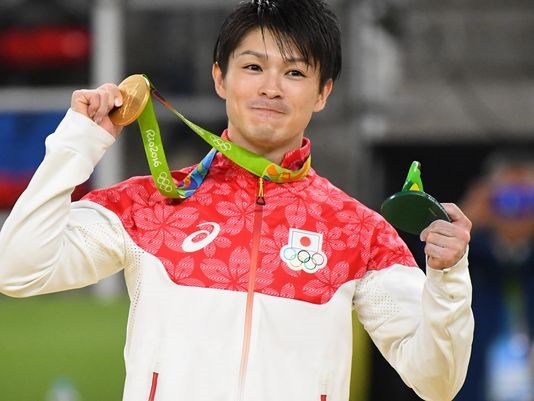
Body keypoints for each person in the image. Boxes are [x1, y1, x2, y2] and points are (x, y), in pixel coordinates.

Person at [0, 1, 473, 400]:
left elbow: (436, 382)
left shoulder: (357, 230)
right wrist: (78, 143)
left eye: (294, 72)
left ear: (323, 92)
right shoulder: (147, 206)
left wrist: (448, 279)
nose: (271, 87)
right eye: (253, 67)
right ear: (220, 79)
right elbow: (17, 270)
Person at [455, 149, 534, 401]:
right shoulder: (463, 261)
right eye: (507, 200)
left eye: (527, 200)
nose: (517, 212)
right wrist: (464, 220)